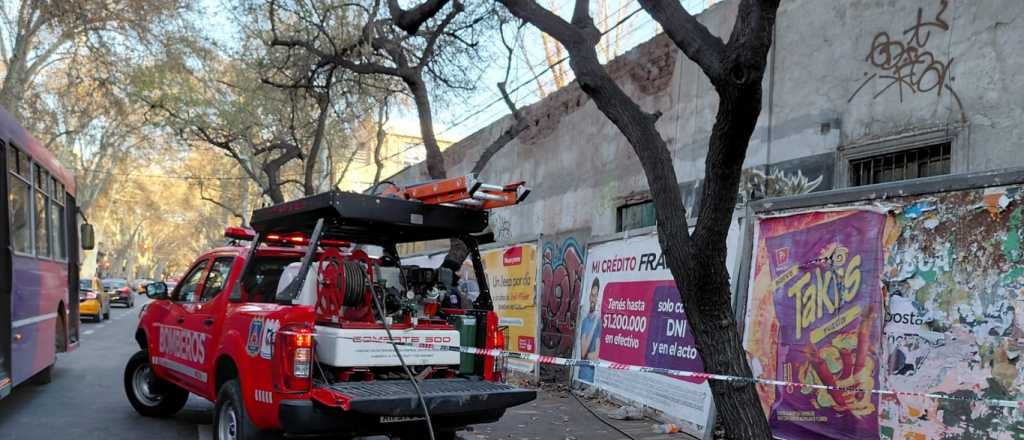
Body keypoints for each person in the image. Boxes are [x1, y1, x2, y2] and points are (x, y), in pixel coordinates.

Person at [577, 278, 601, 382]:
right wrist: (594, 324)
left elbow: (596, 356)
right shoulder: (585, 321)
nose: (593, 299)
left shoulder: (599, 322)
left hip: (590, 377)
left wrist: (588, 355)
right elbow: (583, 352)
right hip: (581, 375)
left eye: (595, 296)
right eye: (591, 295)